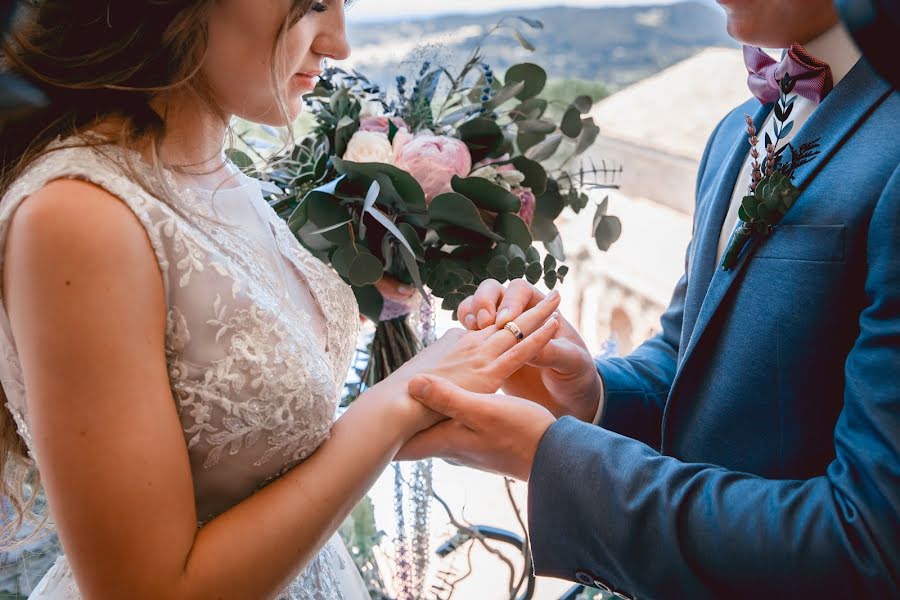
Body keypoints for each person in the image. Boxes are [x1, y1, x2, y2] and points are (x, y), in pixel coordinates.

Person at [0, 1, 564, 598]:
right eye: (313, 5)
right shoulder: (78, 216)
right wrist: (398, 401)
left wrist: (422, 417)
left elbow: (241, 453)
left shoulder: (215, 175)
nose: (339, 44)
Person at [398, 0, 900, 597]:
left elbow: (868, 544)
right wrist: (590, 394)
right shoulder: (735, 133)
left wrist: (553, 460)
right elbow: (687, 359)